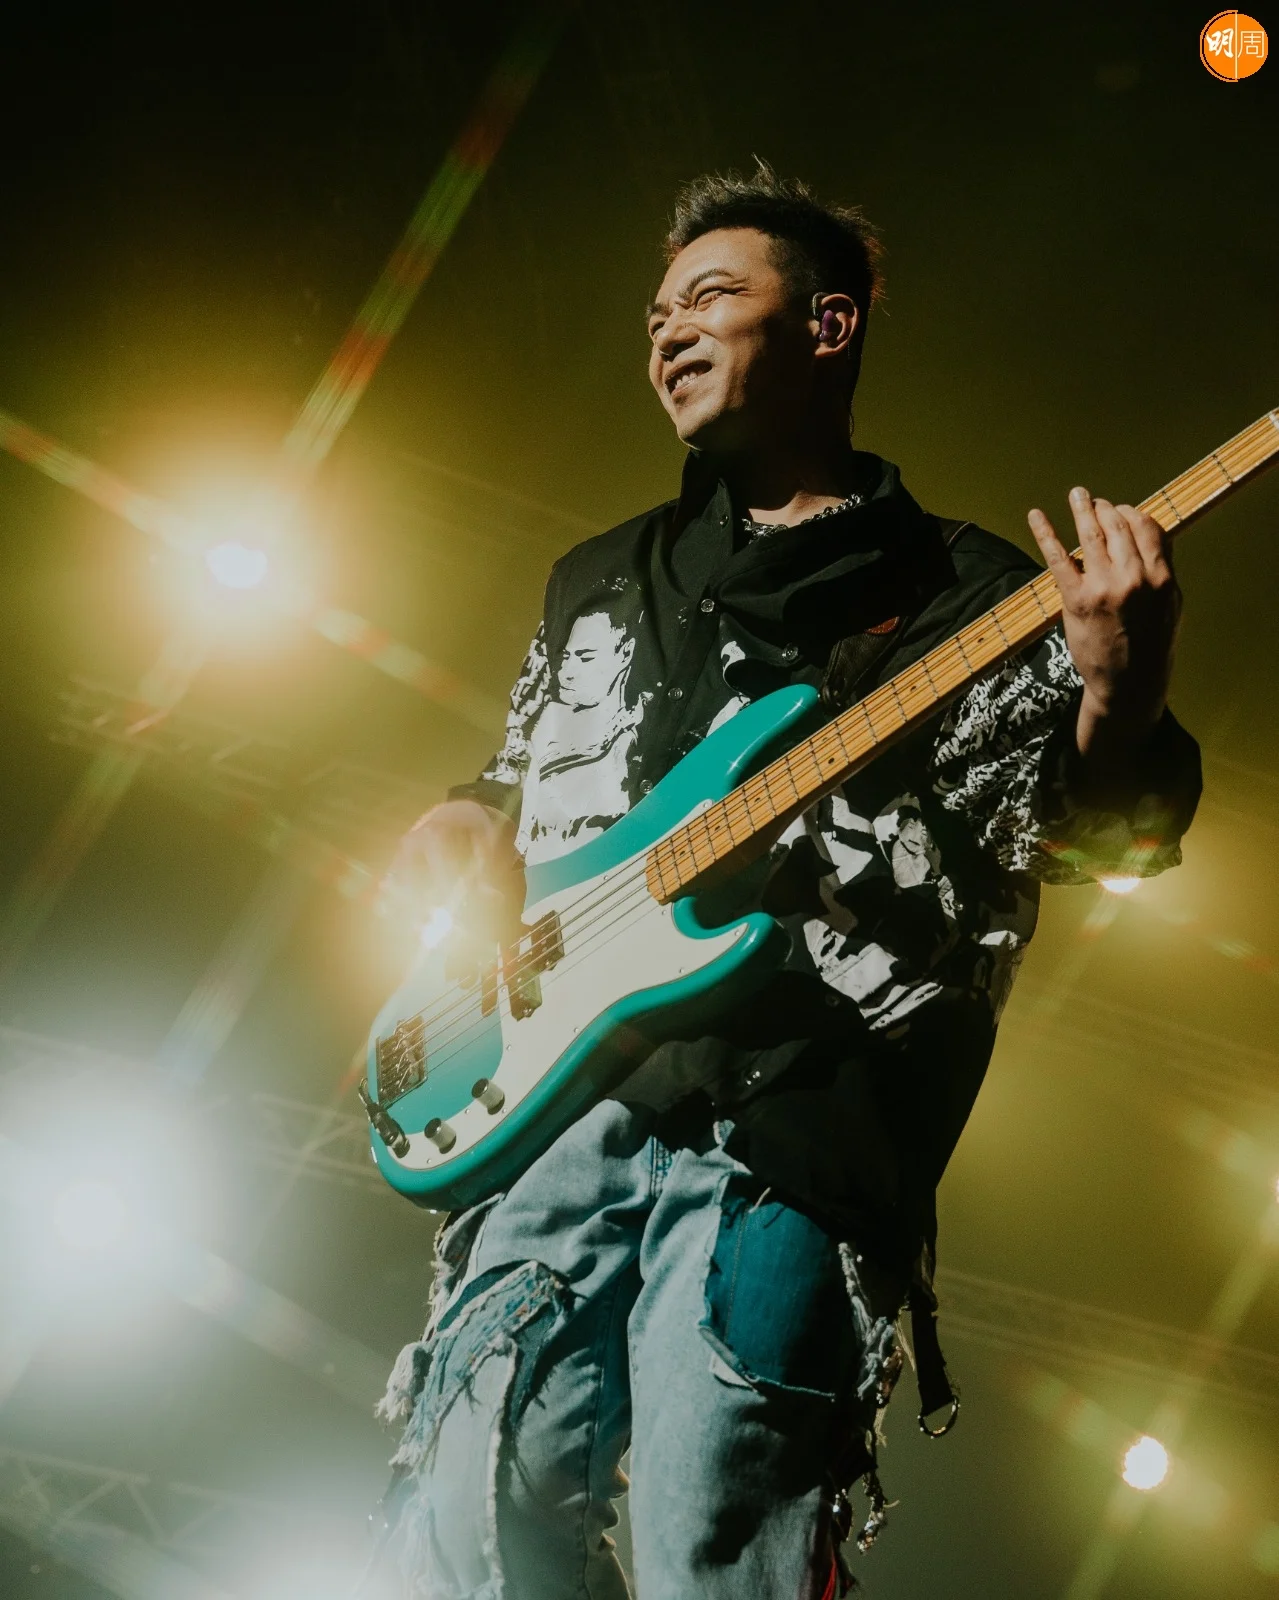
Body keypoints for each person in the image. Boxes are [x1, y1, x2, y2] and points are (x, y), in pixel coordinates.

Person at [375, 165, 1201, 1600]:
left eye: (709, 297)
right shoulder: (598, 577)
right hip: (559, 1091)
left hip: (804, 1119)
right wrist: (463, 818)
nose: (668, 333)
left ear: (828, 326)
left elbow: (1098, 838)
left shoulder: (968, 594)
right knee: (471, 1512)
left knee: (713, 1530)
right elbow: (522, 777)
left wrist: (1119, 697)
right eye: (655, 313)